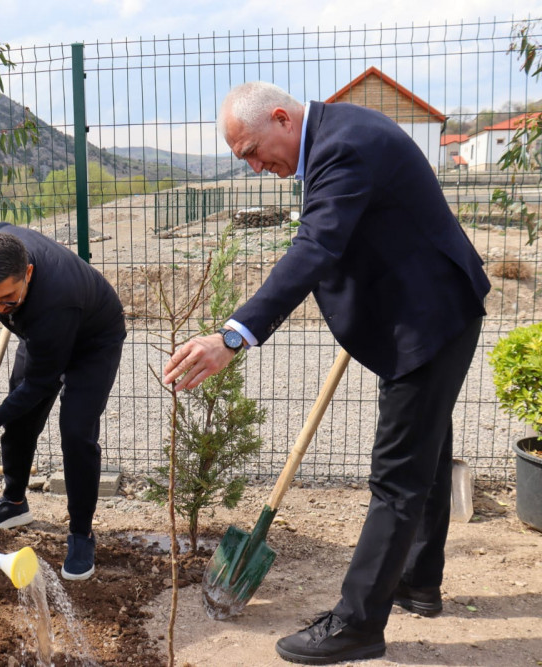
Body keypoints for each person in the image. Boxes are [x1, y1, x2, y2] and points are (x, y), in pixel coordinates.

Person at [164, 82, 490, 665]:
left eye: (253, 153)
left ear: (283, 119)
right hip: (428, 307)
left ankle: (358, 623)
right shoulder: (336, 138)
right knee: (426, 451)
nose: (258, 169)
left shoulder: (345, 146)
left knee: (396, 476)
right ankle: (418, 580)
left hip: (429, 319)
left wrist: (234, 335)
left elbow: (314, 246)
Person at [0, 222, 126, 581]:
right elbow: (31, 377)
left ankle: (81, 534)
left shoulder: (56, 300)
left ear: (29, 273)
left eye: (9, 300)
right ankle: (14, 502)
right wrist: (12, 307)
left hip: (92, 341)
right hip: (41, 333)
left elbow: (39, 384)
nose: (0, 309)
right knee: (20, 422)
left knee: (76, 433)